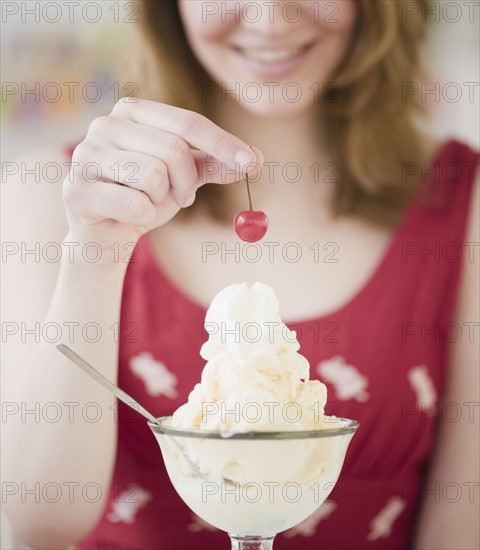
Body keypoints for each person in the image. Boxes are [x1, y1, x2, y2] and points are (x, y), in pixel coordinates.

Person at [2, 1, 478, 549]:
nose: (270, 19)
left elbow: (461, 527)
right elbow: (41, 523)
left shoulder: (461, 201)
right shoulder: (57, 193)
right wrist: (96, 255)